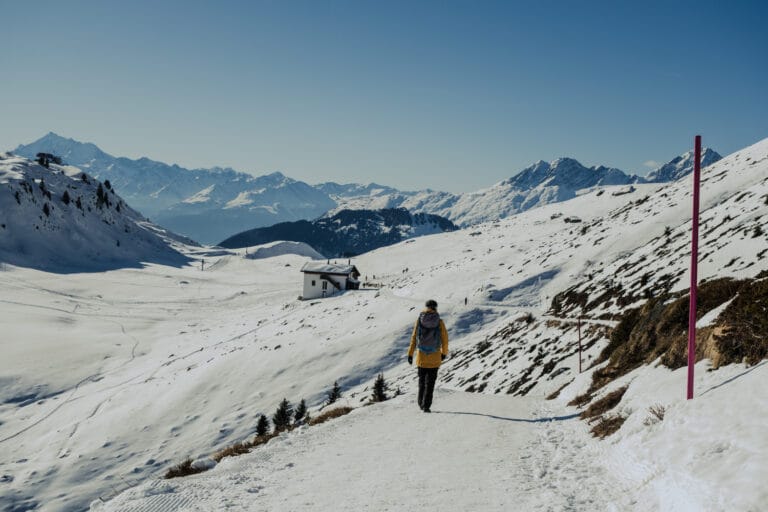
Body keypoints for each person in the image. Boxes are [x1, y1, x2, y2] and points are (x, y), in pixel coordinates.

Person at [407, 299, 449, 413]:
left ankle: (420, 403)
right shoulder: (439, 322)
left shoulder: (420, 320)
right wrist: (444, 353)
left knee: (422, 382)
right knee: (430, 384)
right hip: (435, 357)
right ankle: (426, 406)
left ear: (426, 307)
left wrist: (410, 354)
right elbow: (445, 339)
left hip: (421, 357)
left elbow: (414, 338)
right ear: (435, 308)